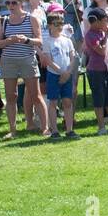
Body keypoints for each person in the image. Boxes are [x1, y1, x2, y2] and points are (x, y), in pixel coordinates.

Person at [0, 0, 46, 139]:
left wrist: (25, 39)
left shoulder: (31, 19)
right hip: (8, 60)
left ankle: (45, 128)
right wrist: (9, 41)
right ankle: (12, 130)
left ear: (21, 3)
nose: (10, 6)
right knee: (11, 96)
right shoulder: (4, 21)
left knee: (35, 95)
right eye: (8, 3)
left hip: (27, 59)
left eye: (14, 2)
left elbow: (39, 40)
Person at [39, 10, 78, 139]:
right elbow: (48, 61)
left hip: (67, 74)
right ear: (49, 25)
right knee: (53, 102)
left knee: (67, 101)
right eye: (56, 24)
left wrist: (68, 72)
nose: (59, 26)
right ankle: (54, 130)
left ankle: (69, 129)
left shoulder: (67, 40)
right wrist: (61, 72)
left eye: (61, 23)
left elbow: (72, 58)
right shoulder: (48, 41)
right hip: (54, 75)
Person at [82, 7, 108, 135]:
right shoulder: (90, 35)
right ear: (95, 21)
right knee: (99, 98)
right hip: (95, 71)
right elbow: (101, 51)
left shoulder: (102, 32)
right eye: (104, 20)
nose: (106, 23)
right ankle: (101, 127)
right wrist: (106, 37)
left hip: (107, 69)